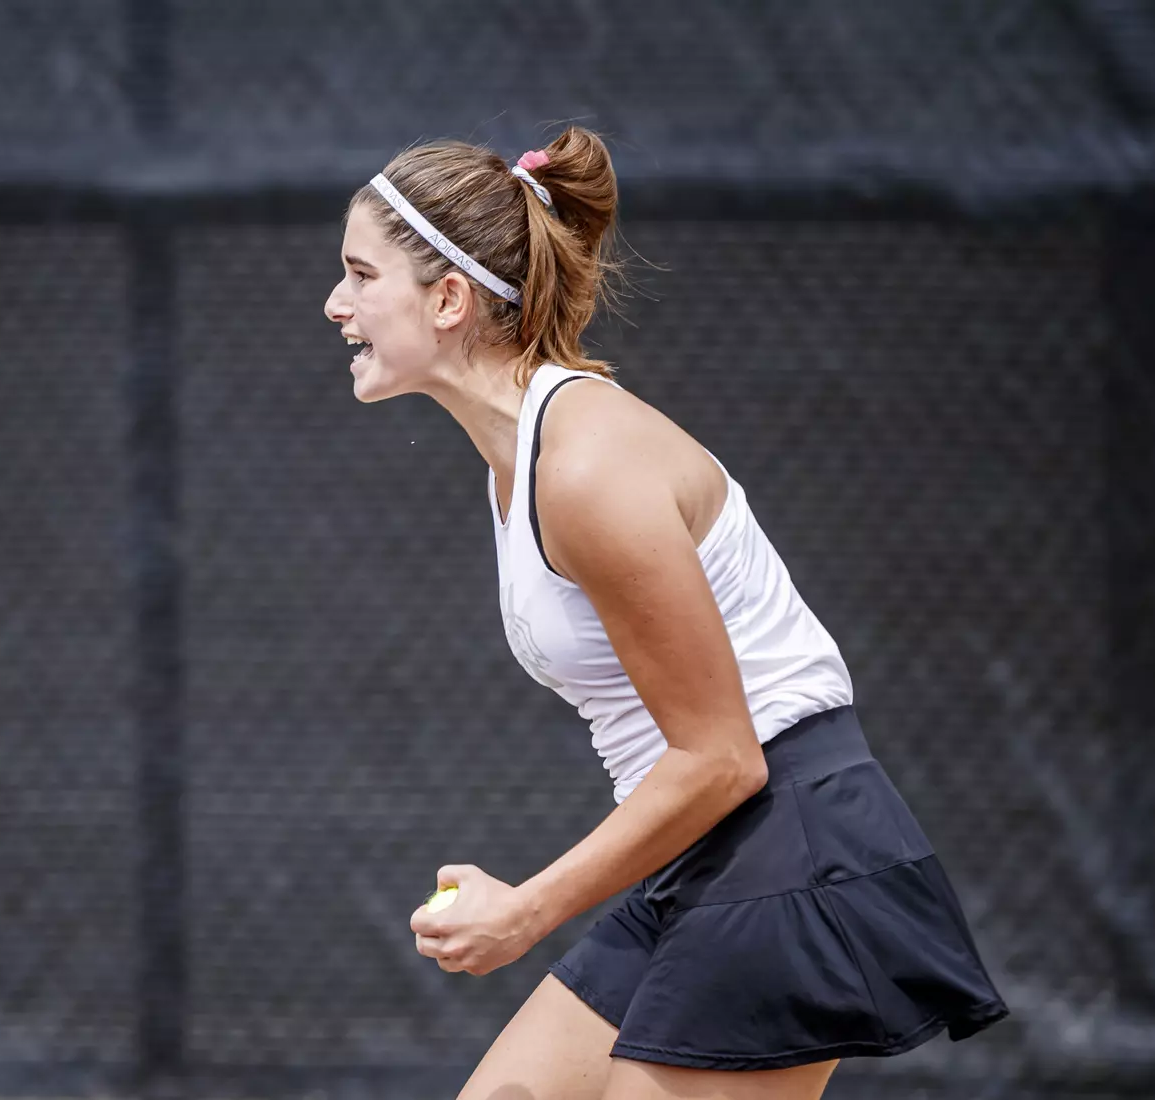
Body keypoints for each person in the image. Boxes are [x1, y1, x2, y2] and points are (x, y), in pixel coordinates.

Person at [322, 128, 1007, 1100]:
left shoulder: (587, 464)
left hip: (791, 844)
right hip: (705, 852)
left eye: (359, 273)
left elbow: (724, 755)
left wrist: (525, 909)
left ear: (448, 298)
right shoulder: (517, 460)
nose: (335, 302)